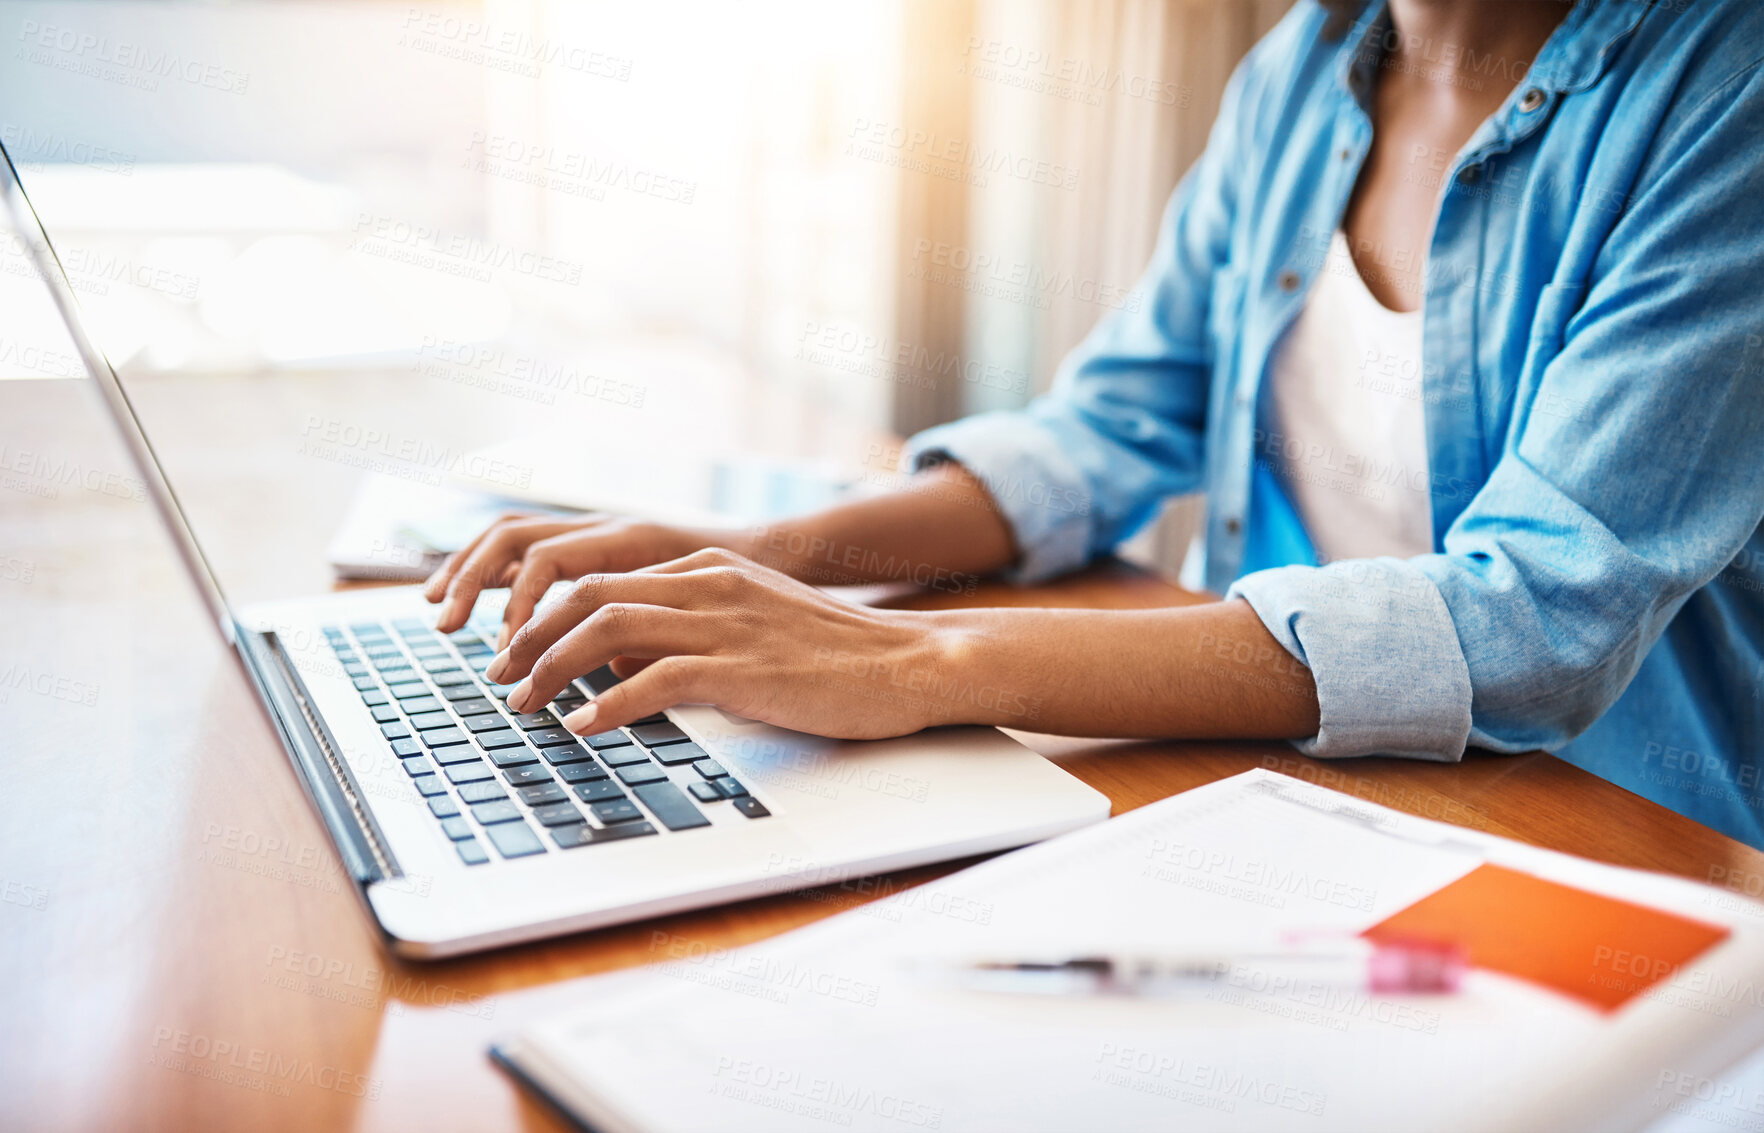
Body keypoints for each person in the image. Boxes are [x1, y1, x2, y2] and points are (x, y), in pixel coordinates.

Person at [425, 0, 1764, 846]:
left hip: (1630, 846)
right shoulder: (1301, 70)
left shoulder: (1726, 90)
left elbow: (1536, 618)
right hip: (1312, 798)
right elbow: (1107, 428)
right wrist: (772, 557)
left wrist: (917, 664)